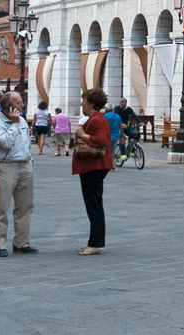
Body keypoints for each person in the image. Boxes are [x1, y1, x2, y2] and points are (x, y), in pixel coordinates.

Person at [0, 92, 37, 257]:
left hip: (24, 165)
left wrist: (29, 160)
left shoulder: (22, 120)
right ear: (8, 106)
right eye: (18, 103)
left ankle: (22, 242)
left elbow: (26, 142)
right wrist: (14, 125)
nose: (22, 106)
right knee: (1, 207)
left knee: (25, 206)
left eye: (21, 102)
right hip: (5, 167)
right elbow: (6, 143)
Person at [72, 89, 115, 256]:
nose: (82, 104)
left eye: (84, 101)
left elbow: (102, 140)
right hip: (91, 166)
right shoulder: (96, 118)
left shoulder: (97, 119)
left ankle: (96, 242)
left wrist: (83, 134)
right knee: (93, 205)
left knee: (94, 205)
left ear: (90, 103)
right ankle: (93, 241)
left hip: (93, 167)